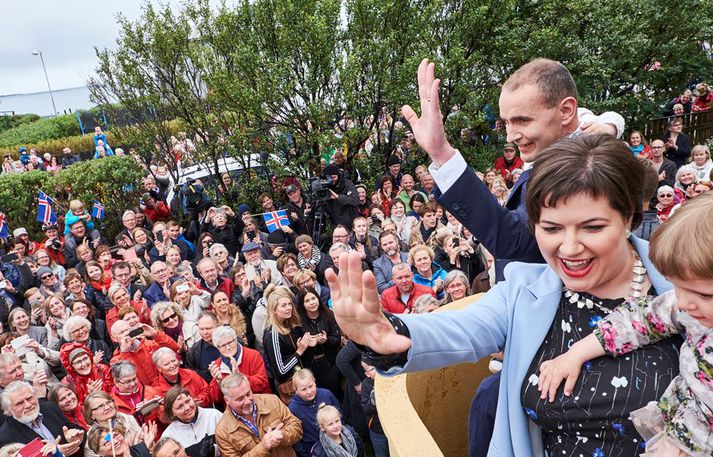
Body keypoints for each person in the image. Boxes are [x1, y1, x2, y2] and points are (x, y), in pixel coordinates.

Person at [326, 135, 681, 456]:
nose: (570, 248)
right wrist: (391, 335)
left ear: (630, 217)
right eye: (552, 228)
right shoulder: (524, 288)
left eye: (592, 227)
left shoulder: (684, 282)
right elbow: (461, 328)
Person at [402, 58, 623, 281]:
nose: (510, 136)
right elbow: (581, 118)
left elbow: (512, 239)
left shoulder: (578, 169)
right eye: (507, 122)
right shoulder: (557, 142)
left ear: (565, 111)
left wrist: (442, 153)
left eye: (522, 121)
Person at [537, 193, 713, 456]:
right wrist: (576, 354)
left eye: (704, 294)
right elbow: (641, 319)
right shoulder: (687, 304)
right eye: (678, 287)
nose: (685, 302)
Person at [215, 373, 303, 457]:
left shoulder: (272, 401)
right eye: (240, 399)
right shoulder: (223, 431)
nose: (247, 401)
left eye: (248, 394)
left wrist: (282, 435)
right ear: (227, 400)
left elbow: (297, 427)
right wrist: (263, 447)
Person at [262, 288, 313, 404]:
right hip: (291, 390)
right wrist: (299, 351)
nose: (289, 307)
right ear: (274, 310)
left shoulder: (285, 323)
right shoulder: (272, 334)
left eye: (289, 304)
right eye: (283, 305)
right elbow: (281, 370)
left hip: (300, 381)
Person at [0, 381, 85, 451]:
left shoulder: (50, 408)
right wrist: (55, 454)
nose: (28, 405)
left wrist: (76, 438)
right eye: (19, 403)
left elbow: (78, 431)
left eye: (29, 398)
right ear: (9, 410)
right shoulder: (5, 438)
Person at [294, 289, 342, 399]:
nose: (312, 302)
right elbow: (296, 343)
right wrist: (306, 344)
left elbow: (337, 339)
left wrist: (326, 340)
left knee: (333, 394)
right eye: (307, 301)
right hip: (310, 365)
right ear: (302, 304)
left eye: (313, 298)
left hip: (329, 363)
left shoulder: (328, 314)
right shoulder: (299, 321)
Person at [287, 369, 341, 457]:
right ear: (296, 390)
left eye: (311, 386)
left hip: (335, 441)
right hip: (313, 449)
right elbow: (296, 438)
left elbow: (340, 416)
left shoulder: (326, 394)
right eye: (303, 389)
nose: (309, 391)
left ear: (315, 382)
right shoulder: (293, 409)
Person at [110, 320, 180, 387]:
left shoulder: (149, 345)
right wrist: (124, 352)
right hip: (143, 394)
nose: (127, 333)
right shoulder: (115, 360)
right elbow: (122, 379)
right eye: (122, 332)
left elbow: (175, 348)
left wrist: (155, 334)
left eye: (128, 330)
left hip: (164, 386)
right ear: (114, 339)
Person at [160, 386, 222, 457]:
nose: (187, 407)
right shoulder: (169, 435)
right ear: (172, 413)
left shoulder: (214, 415)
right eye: (180, 407)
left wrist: (216, 451)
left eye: (188, 401)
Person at [150, 348, 221, 408]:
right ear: (159, 368)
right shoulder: (156, 389)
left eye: (173, 361)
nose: (172, 365)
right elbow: (162, 415)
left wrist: (198, 401)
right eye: (167, 364)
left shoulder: (190, 374)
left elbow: (207, 391)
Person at [210, 326, 270, 394]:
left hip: (258, 400)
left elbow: (263, 384)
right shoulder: (217, 365)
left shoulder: (253, 355)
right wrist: (219, 382)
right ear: (218, 348)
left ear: (235, 340)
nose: (228, 347)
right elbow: (216, 399)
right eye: (223, 345)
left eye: (230, 342)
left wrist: (239, 376)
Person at [59, 343, 112, 407]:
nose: (84, 364)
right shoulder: (67, 382)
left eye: (85, 358)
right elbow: (75, 409)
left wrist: (100, 391)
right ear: (72, 367)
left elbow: (114, 392)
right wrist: (89, 396)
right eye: (78, 362)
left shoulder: (102, 369)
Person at [109, 361, 161, 426]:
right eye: (127, 381)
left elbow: (164, 419)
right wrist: (136, 413)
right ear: (116, 382)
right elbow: (115, 427)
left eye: (134, 379)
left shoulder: (150, 391)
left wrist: (159, 406)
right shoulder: (111, 402)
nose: (133, 384)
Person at [320, 164, 359, 229]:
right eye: (329, 178)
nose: (332, 180)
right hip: (334, 223)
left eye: (334, 177)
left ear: (338, 175)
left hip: (349, 223)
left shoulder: (347, 184)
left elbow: (355, 201)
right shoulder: (324, 186)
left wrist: (338, 197)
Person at [85, 421, 154, 457]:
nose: (115, 441)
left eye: (116, 435)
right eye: (107, 442)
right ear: (99, 452)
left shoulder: (141, 450)